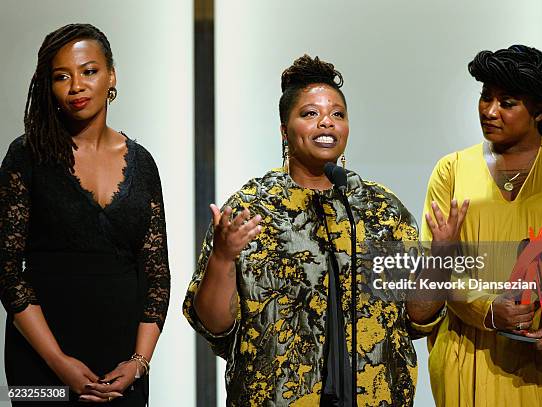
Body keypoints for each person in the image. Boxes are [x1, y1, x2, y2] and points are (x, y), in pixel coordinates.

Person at [183, 54, 466, 406]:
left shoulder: (380, 209)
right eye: (310, 114)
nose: (326, 123)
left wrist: (440, 256)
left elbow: (416, 317)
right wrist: (223, 256)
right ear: (284, 130)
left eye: (337, 114)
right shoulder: (252, 208)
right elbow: (215, 324)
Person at [421, 44, 542, 406]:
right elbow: (437, 262)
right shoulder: (452, 170)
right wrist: (486, 309)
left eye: (506, 103)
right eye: (485, 97)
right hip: (474, 352)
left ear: (540, 110)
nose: (489, 111)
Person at [0, 24, 170, 405]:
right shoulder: (26, 155)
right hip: (40, 367)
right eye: (62, 76)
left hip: (123, 370)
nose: (76, 85)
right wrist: (59, 364)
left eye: (89, 71)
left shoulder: (143, 165)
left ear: (111, 75)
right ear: (50, 86)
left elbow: (158, 276)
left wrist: (139, 363)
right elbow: (8, 272)